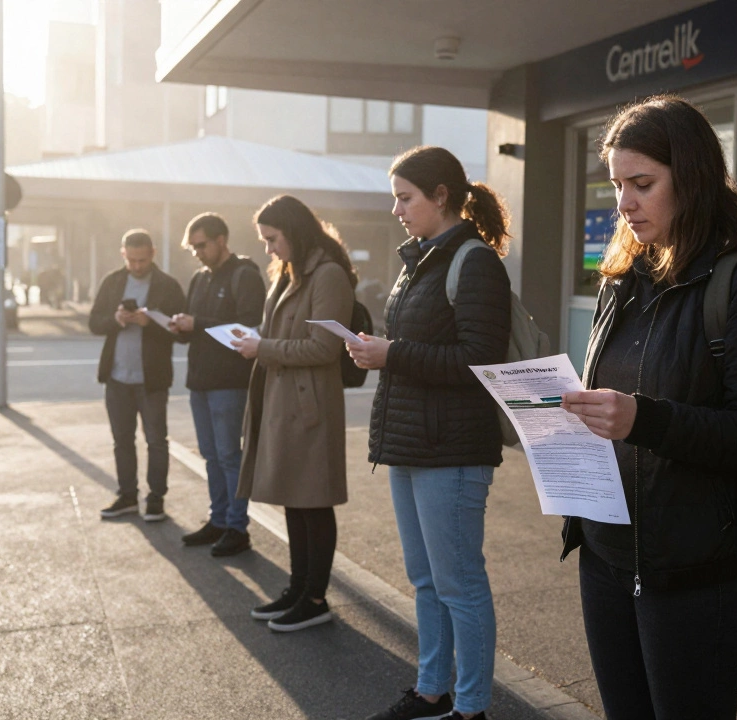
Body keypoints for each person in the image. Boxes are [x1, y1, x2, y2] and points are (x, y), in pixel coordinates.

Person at [554, 95, 737, 719]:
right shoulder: (619, 283)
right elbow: (605, 405)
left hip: (695, 573)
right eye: (615, 186)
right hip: (606, 556)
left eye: (642, 184)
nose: (624, 203)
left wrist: (644, 419)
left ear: (690, 180)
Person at [347, 146, 511, 720]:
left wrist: (391, 353)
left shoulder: (476, 261)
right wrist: (382, 353)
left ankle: (470, 708)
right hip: (412, 446)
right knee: (425, 580)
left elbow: (481, 361)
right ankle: (431, 690)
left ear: (440, 196)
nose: (396, 209)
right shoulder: (419, 260)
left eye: (404, 197)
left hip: (454, 451)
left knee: (460, 584)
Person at [234, 195, 357, 633]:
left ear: (295, 232)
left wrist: (261, 348)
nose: (268, 248)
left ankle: (315, 597)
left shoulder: (327, 275)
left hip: (309, 406)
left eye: (272, 239)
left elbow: (325, 348)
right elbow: (280, 334)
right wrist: (253, 339)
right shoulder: (290, 273)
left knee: (313, 502)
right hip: (284, 400)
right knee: (294, 499)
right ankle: (298, 587)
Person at [169, 212, 266, 557]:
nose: (196, 252)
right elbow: (198, 329)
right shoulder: (199, 278)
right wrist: (181, 327)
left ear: (221, 240)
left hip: (229, 382)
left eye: (201, 245)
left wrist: (197, 323)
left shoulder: (244, 275)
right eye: (192, 247)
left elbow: (249, 329)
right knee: (211, 455)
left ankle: (237, 527)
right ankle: (220, 520)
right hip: (200, 381)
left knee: (228, 455)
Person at [89, 230, 186, 522]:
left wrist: (150, 323)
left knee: (156, 440)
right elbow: (94, 323)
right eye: (131, 260)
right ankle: (127, 496)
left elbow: (182, 333)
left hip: (152, 379)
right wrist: (116, 320)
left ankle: (156, 498)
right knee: (122, 440)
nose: (137, 266)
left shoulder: (167, 286)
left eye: (142, 260)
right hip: (117, 377)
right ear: (123, 254)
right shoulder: (113, 281)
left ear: (152, 253)